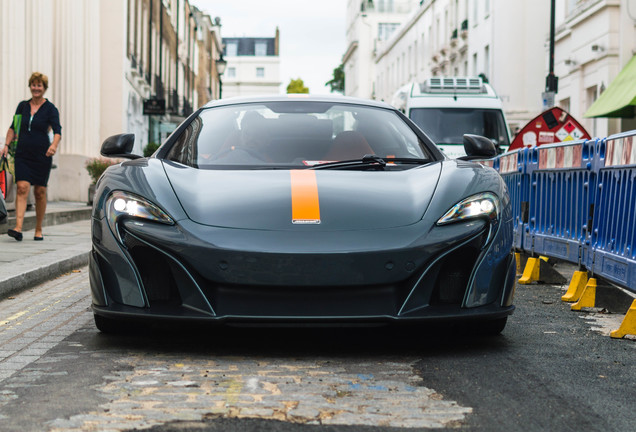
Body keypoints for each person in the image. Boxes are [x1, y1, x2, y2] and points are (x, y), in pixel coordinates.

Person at [1, 72, 62, 241]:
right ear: (30, 87)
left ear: (44, 88)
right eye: (34, 85)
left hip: (42, 155)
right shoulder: (22, 106)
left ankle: (38, 228)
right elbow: (13, 127)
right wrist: (6, 145)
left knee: (40, 192)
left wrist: (53, 146)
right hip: (22, 154)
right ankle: (18, 228)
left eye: (39, 85)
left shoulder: (50, 109)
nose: (36, 88)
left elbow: (58, 131)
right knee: (22, 187)